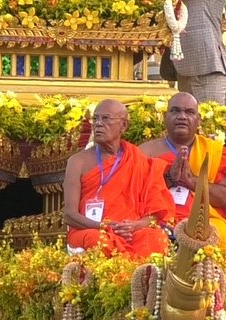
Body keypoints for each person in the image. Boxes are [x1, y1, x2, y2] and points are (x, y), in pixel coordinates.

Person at [139, 92, 226, 264]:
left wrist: (192, 181)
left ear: (198, 120)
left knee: (224, 239)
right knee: (146, 241)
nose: (182, 116)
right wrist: (169, 178)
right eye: (175, 111)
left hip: (203, 220)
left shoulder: (213, 152)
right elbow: (136, 196)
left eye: (189, 112)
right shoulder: (144, 153)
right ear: (165, 117)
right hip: (156, 220)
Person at [63, 99, 174, 258]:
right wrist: (104, 227)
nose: (99, 124)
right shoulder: (77, 162)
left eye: (106, 118)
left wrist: (135, 225)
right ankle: (120, 276)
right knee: (96, 240)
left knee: (155, 238)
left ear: (123, 125)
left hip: (130, 231)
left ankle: (139, 279)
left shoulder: (139, 160)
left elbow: (155, 214)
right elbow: (69, 215)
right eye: (96, 119)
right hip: (92, 229)